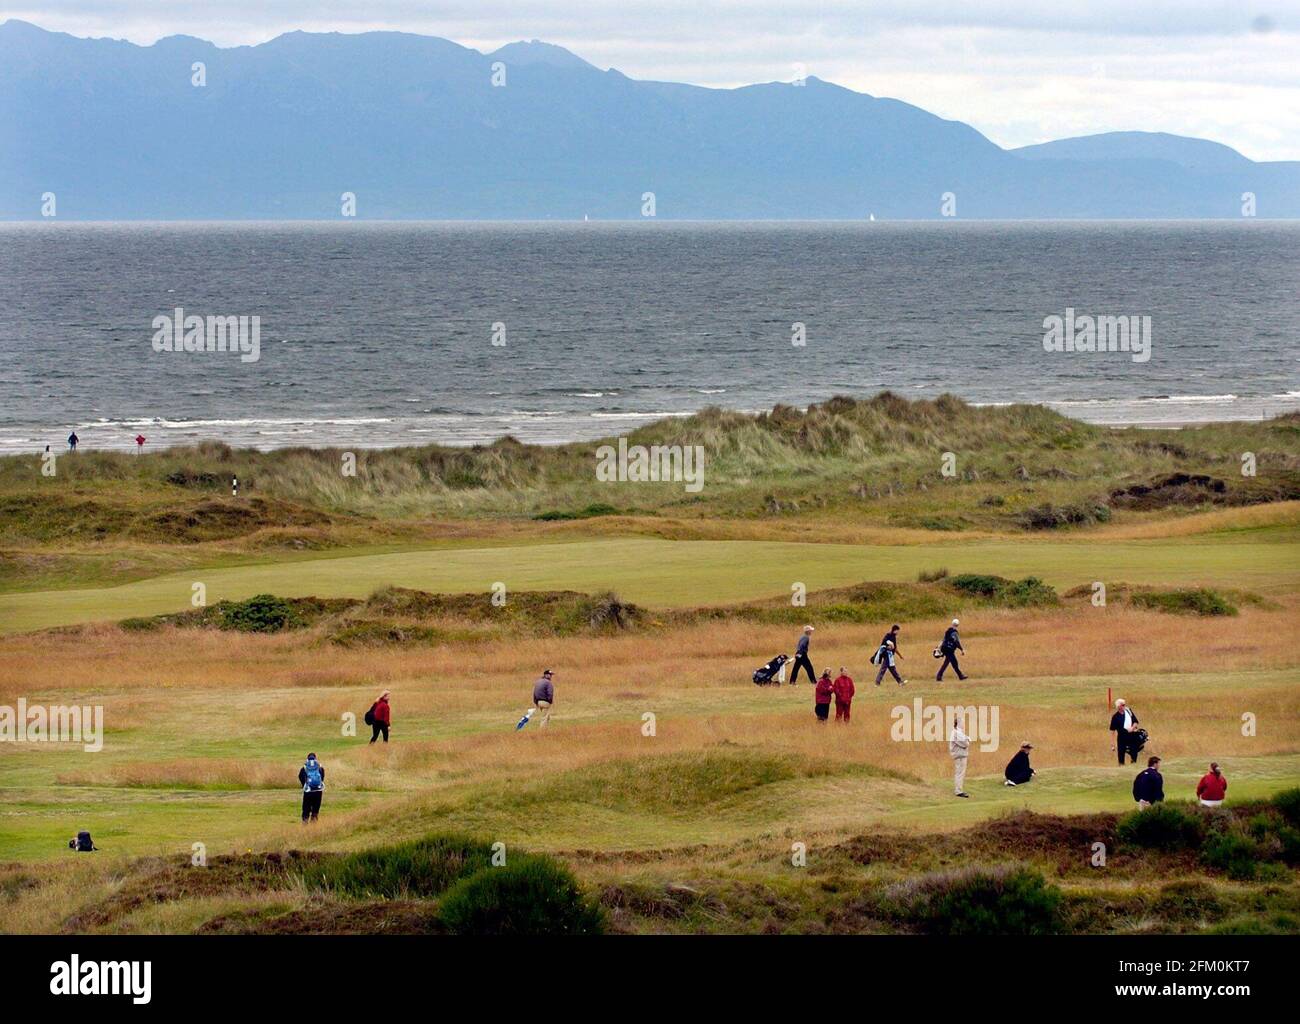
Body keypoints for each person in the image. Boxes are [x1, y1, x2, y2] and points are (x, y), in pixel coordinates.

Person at [1109, 699, 1141, 765]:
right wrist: (1112, 744)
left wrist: (1132, 728)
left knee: (1134, 752)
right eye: (1123, 705)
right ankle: (1121, 767)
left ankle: (1133, 765)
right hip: (1122, 737)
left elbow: (1135, 722)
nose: (1124, 706)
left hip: (1132, 736)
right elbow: (1112, 730)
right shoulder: (1115, 717)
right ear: (1118, 707)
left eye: (1124, 704)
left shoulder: (1128, 711)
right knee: (1121, 754)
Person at [298, 752, 325, 822]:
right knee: (315, 809)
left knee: (306, 808)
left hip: (308, 791)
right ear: (315, 758)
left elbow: (300, 776)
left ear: (307, 759)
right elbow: (322, 777)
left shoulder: (304, 767)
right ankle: (314, 824)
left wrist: (304, 785)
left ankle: (305, 823)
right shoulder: (319, 766)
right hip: (318, 791)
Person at [949, 717, 970, 797]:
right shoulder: (957, 733)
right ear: (959, 723)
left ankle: (959, 790)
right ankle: (958, 791)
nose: (964, 724)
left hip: (960, 755)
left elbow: (966, 740)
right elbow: (965, 743)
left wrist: (967, 739)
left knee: (959, 772)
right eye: (962, 722)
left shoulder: (957, 732)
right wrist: (967, 740)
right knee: (960, 773)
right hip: (960, 755)